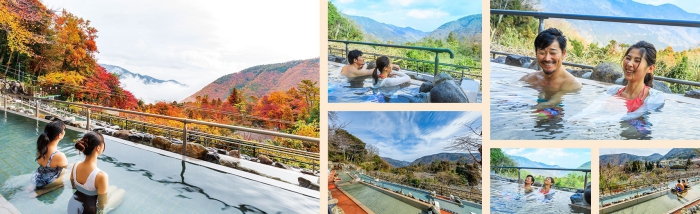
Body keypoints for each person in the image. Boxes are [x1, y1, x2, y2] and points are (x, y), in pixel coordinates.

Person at [520, 28, 582, 117]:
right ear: (536, 52)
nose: (547, 58)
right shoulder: (528, 79)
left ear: (563, 53)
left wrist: (524, 113)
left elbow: (553, 103)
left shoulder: (572, 85)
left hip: (555, 124)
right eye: (542, 52)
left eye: (553, 53)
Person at [68, 132, 125, 214]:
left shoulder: (75, 166)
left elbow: (73, 187)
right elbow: (102, 205)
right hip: (89, 211)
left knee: (112, 187)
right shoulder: (101, 176)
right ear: (98, 148)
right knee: (121, 191)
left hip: (73, 206)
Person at [32, 120, 69, 197]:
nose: (65, 132)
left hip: (36, 177)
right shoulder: (59, 156)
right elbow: (68, 169)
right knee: (73, 176)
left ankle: (31, 187)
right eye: (64, 130)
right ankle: (43, 191)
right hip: (46, 183)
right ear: (59, 135)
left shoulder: (41, 148)